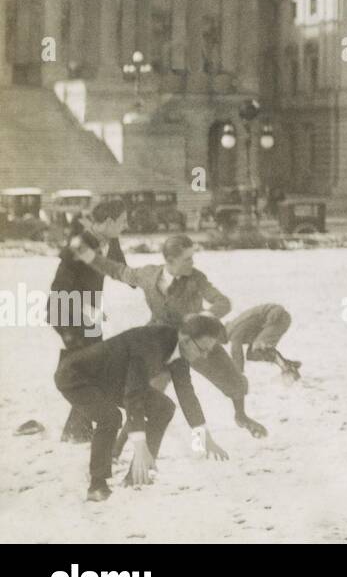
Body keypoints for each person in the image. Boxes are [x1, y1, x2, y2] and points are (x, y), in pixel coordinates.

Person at [75, 233, 267, 437]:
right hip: (159, 345)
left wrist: (202, 317)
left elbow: (223, 302)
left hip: (197, 340)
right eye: (187, 259)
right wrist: (89, 257)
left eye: (192, 257)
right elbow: (118, 270)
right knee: (143, 396)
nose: (192, 263)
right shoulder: (148, 275)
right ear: (170, 261)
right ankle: (116, 448)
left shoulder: (196, 278)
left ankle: (241, 416)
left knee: (234, 382)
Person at [54, 314, 226, 502]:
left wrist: (203, 437)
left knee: (164, 408)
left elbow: (186, 393)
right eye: (203, 350)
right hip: (76, 376)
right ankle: (97, 485)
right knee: (110, 418)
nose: (205, 356)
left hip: (112, 379)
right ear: (186, 340)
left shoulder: (179, 349)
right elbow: (133, 395)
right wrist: (140, 445)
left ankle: (138, 475)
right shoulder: (150, 345)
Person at [48, 201, 127, 443]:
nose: (125, 226)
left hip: (89, 311)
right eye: (122, 221)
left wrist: (152, 280)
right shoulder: (79, 244)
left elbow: (121, 270)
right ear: (109, 222)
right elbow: (61, 287)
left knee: (93, 365)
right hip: (66, 309)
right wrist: (75, 321)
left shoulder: (111, 240)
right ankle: (76, 430)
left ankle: (76, 429)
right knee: (84, 367)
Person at [226, 303, 301, 380]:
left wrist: (238, 375)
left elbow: (236, 353)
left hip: (278, 317)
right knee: (252, 354)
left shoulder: (234, 332)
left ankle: (288, 369)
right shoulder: (234, 327)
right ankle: (288, 364)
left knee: (259, 347)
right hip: (274, 317)